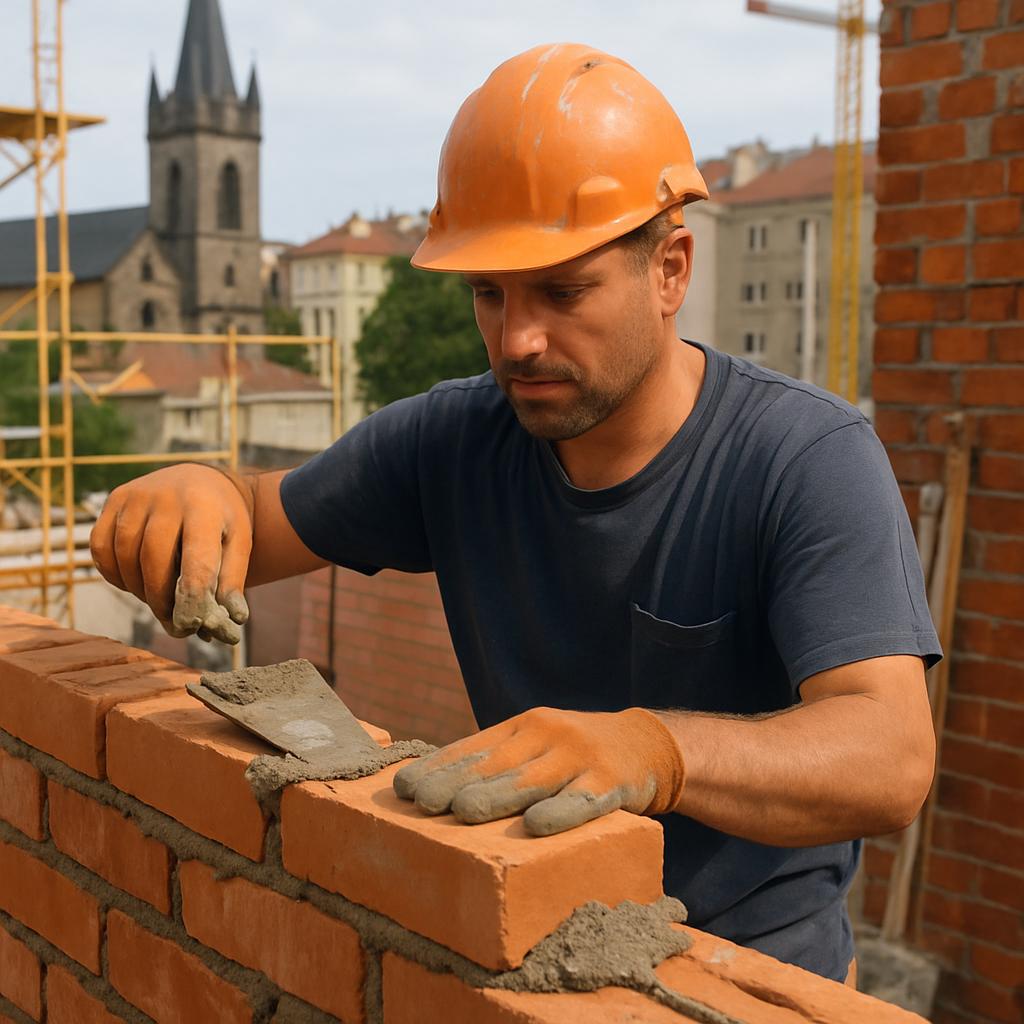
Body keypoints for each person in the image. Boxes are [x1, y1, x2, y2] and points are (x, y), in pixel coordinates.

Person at [91, 43, 940, 984]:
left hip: (744, 976)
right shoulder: (457, 440)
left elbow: (889, 756)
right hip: (535, 951)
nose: (518, 339)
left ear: (671, 270)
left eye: (562, 291)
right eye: (488, 295)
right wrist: (200, 492)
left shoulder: (803, 458)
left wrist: (651, 749)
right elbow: (257, 516)